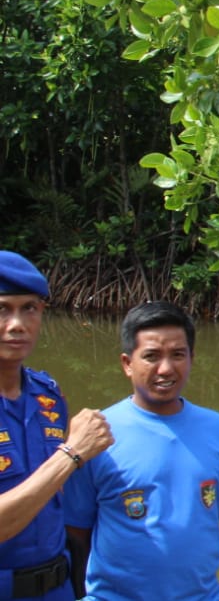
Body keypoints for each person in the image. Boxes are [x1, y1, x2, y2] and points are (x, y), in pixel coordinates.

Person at [63, 302, 219, 601]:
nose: (166, 368)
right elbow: (75, 532)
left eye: (178, 355)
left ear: (192, 358)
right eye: (152, 356)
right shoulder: (97, 435)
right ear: (127, 363)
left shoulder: (218, 429)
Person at [0, 252, 113, 601]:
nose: (17, 324)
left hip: (58, 587)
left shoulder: (48, 396)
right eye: (2, 309)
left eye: (29, 308)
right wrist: (71, 454)